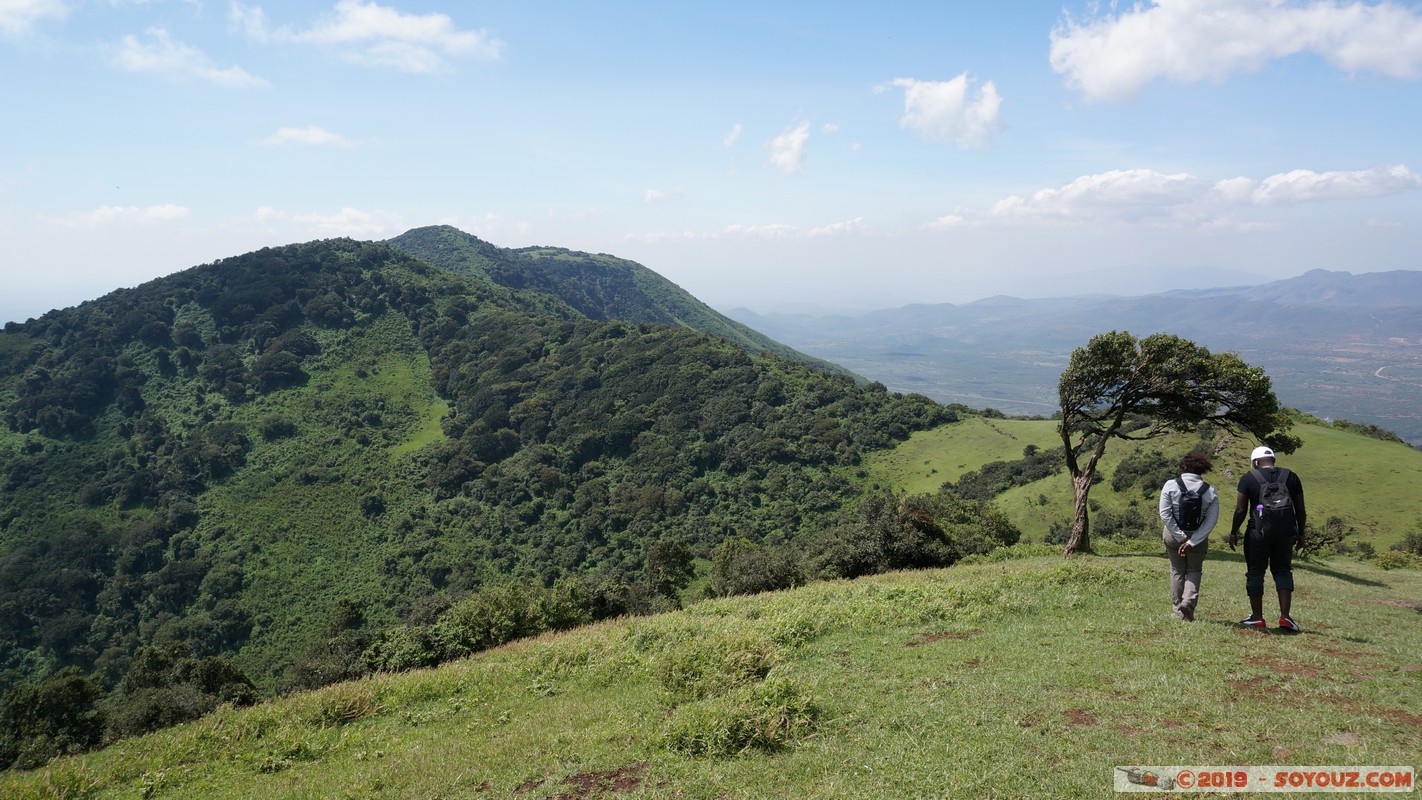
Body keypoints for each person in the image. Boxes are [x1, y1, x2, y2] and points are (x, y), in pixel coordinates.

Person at [1228, 446, 1306, 632]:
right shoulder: (1291, 477)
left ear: (1256, 462)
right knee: (1283, 571)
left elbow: (1240, 510)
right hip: (1286, 533)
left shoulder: (1248, 478)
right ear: (1273, 460)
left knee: (1255, 572)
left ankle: (1257, 618)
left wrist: (1233, 532)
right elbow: (1300, 510)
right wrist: (1300, 533)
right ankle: (1285, 618)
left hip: (1258, 532)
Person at [1158, 450, 1219, 621]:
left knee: (1177, 570)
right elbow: (1211, 521)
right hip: (1197, 538)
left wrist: (1180, 537)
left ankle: (1178, 611)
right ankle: (1188, 603)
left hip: (1172, 535)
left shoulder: (1170, 485)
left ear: (1183, 466)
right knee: (1194, 570)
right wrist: (1193, 541)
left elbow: (1165, 514)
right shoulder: (1210, 491)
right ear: (1203, 469)